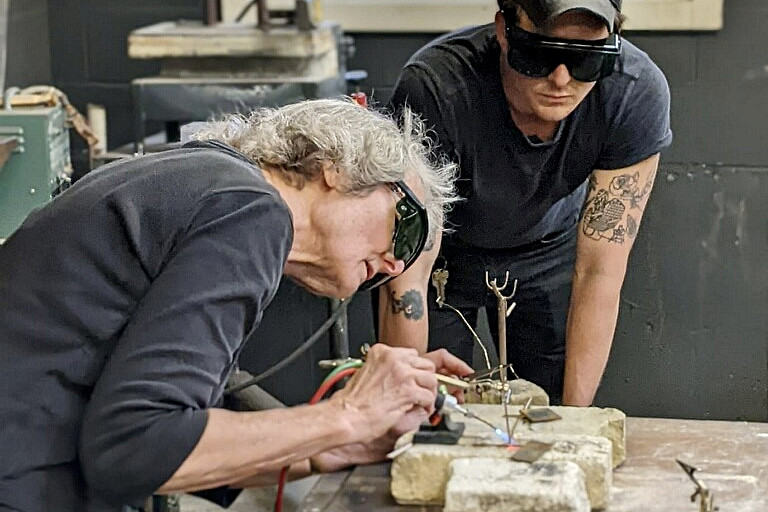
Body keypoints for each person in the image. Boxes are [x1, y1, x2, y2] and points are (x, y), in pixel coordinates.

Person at [0, 98, 472, 511]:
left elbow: (181, 441)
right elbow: (136, 449)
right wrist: (351, 413)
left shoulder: (212, 183)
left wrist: (331, 447)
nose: (394, 265)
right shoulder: (249, 210)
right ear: (336, 169)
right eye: (404, 226)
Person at [379, 0, 672, 406]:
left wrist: (576, 423)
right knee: (430, 404)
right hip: (444, 252)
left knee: (553, 402)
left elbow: (601, 270)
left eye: (587, 60)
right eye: (539, 55)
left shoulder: (633, 92)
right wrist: (404, 416)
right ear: (504, 30)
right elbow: (407, 273)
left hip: (548, 248)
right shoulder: (438, 87)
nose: (561, 79)